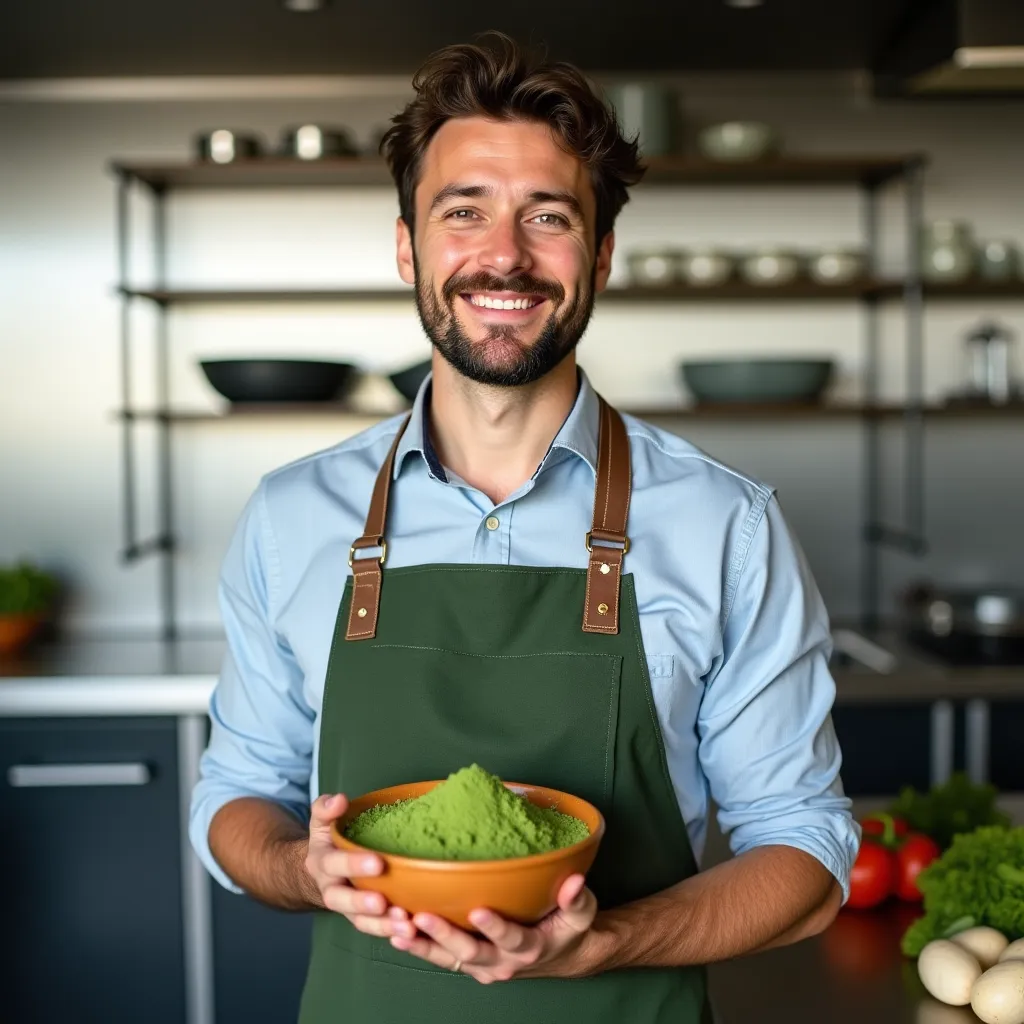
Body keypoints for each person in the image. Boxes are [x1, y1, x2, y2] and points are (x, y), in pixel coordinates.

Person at [190, 31, 859, 1024]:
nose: (503, 255)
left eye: (547, 216)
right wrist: (301, 864)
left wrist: (608, 941)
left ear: (601, 252)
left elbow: (803, 847)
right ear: (408, 245)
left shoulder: (727, 524)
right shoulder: (294, 516)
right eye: (463, 212)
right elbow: (238, 791)